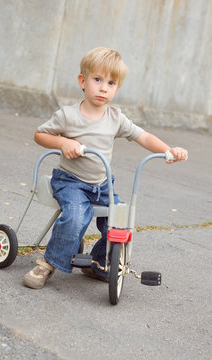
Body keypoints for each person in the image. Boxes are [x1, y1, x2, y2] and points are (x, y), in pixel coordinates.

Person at [23, 47, 188, 289]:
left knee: (119, 218)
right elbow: (40, 135)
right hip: (70, 181)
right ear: (82, 81)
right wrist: (63, 142)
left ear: (116, 88)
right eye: (97, 80)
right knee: (76, 216)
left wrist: (168, 150)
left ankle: (98, 263)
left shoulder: (116, 118)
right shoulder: (68, 116)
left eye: (111, 83)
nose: (103, 87)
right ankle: (48, 263)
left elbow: (143, 136)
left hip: (101, 186)